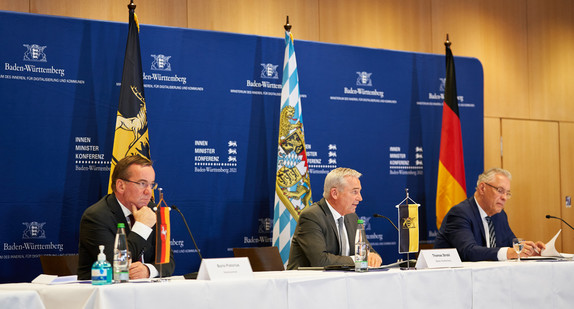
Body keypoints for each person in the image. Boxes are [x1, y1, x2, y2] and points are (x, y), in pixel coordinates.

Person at [77, 155, 175, 280]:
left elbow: (168, 260)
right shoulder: (96, 217)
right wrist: (142, 227)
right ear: (120, 186)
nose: (148, 192)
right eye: (142, 183)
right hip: (104, 293)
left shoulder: (152, 210)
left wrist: (148, 270)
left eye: (151, 185)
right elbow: (116, 265)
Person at [434, 168, 545, 261]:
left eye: (507, 193)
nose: (504, 198)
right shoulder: (460, 214)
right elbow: (469, 251)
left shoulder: (500, 215)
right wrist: (509, 253)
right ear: (482, 188)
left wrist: (529, 250)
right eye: (500, 190)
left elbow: (512, 243)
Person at [287, 167, 383, 269]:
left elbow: (367, 250)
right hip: (307, 283)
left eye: (359, 192)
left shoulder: (352, 217)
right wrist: (358, 259)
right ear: (335, 193)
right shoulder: (311, 217)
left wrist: (374, 256)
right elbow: (321, 261)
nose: (360, 198)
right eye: (354, 192)